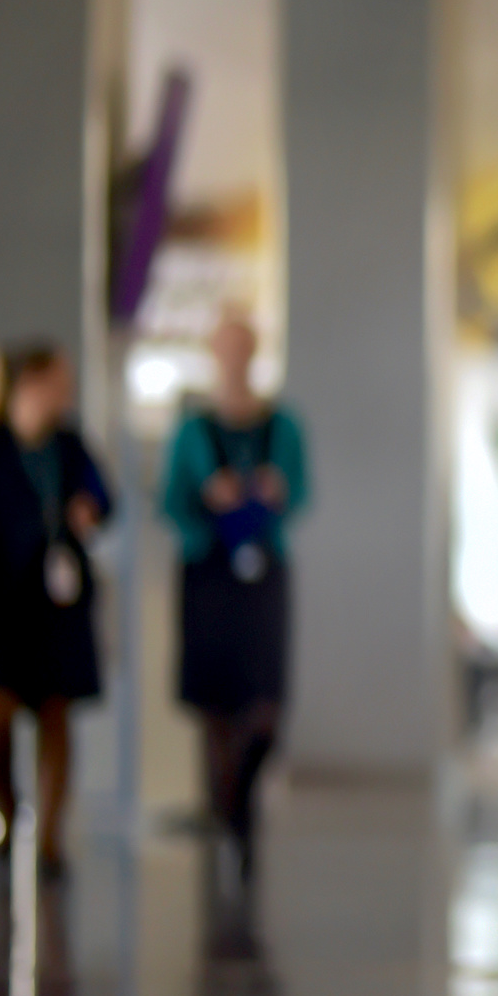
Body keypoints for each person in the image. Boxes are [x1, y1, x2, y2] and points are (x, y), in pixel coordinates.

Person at [163, 312, 309, 883]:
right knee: (214, 703)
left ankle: (240, 801)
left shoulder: (282, 427)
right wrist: (207, 498)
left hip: (263, 569)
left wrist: (274, 493)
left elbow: (301, 492)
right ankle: (226, 815)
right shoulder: (192, 430)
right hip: (207, 569)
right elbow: (170, 503)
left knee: (265, 700)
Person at [0, 343, 111, 874]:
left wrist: (89, 509)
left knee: (57, 714)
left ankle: (50, 841)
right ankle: (8, 811)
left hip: (59, 606)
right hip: (2, 604)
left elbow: (105, 497)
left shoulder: (71, 445)